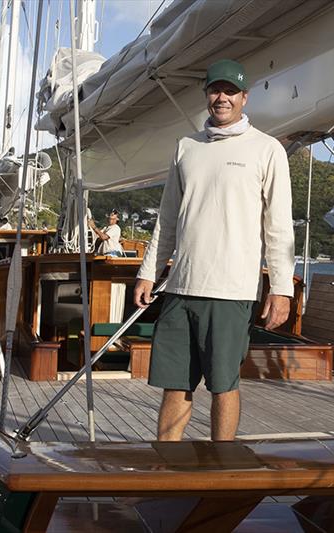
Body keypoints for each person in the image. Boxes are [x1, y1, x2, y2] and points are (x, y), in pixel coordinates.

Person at [134, 59, 295, 442]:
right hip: (181, 287)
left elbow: (278, 227)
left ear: (244, 97)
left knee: (223, 385)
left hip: (231, 291)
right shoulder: (186, 146)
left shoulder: (267, 150)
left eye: (230, 91)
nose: (221, 97)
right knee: (175, 386)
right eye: (215, 90)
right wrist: (147, 271)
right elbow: (168, 218)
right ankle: (165, 466)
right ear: (207, 95)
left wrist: (282, 289)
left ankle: (221, 466)